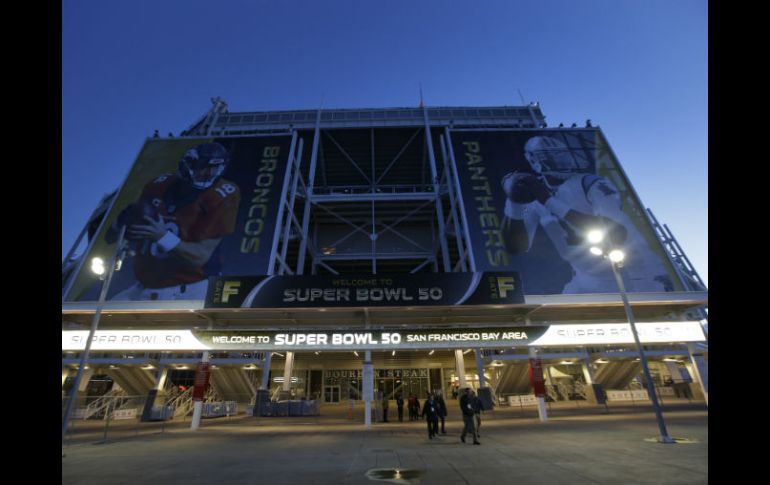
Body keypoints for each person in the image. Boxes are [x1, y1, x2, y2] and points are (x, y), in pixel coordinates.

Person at [500, 135, 674, 294]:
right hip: (587, 278)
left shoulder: (590, 183)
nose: (562, 159)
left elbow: (617, 232)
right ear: (535, 161)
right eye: (552, 154)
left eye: (562, 153)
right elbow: (516, 247)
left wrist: (549, 201)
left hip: (635, 273)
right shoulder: (533, 193)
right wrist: (513, 203)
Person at [105, 142, 241, 300]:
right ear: (188, 164)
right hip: (143, 286)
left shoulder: (223, 194)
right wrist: (120, 223)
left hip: (189, 290)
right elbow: (110, 237)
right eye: (204, 166)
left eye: (215, 168)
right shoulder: (158, 185)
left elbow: (201, 256)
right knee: (99, 316)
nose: (209, 173)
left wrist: (162, 237)